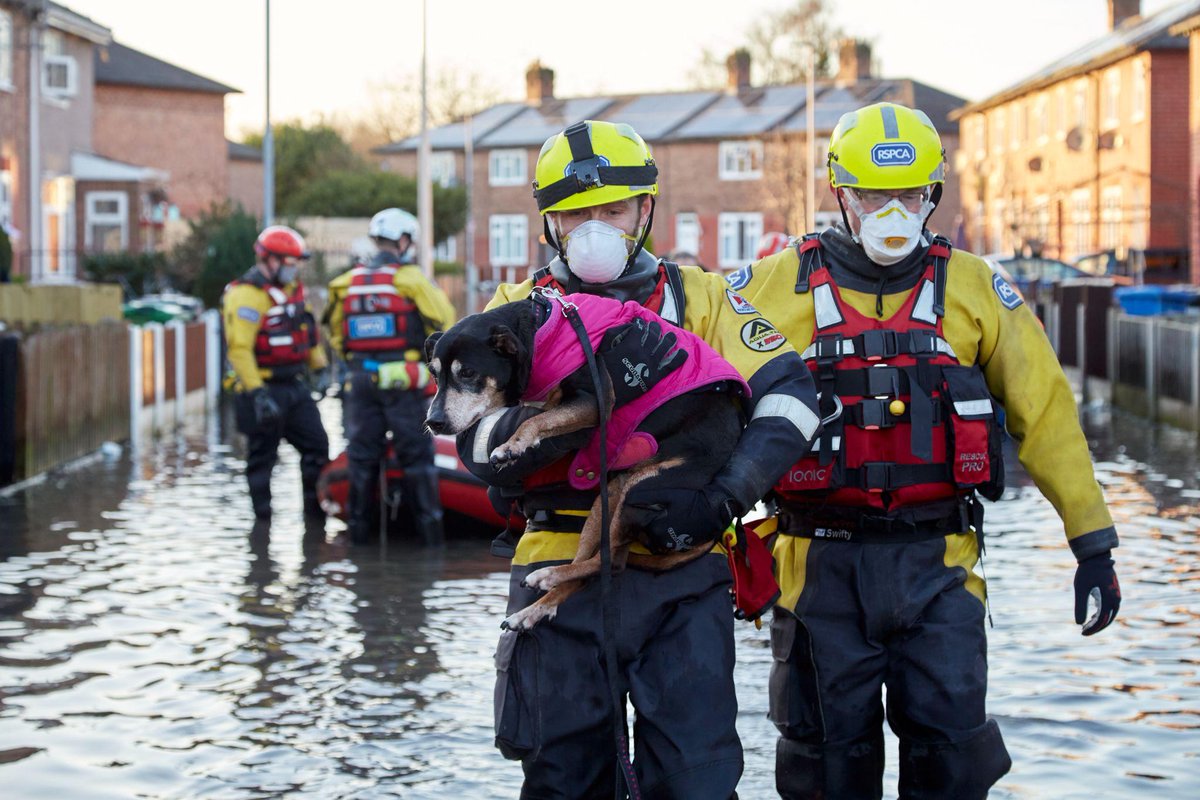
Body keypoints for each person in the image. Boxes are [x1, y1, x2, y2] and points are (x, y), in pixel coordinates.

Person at [730, 102, 1122, 799]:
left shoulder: (976, 289)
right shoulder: (770, 288)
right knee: (825, 769)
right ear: (841, 194)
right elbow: (701, 389)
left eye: (909, 195)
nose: (893, 211)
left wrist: (1092, 544)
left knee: (950, 765)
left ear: (931, 195)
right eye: (876, 195)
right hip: (816, 567)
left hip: (939, 568)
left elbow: (1048, 414)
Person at [454, 119, 821, 798]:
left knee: (698, 780)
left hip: (680, 567)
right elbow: (471, 437)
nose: (597, 227)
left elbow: (792, 399)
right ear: (549, 224)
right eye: (576, 214)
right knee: (563, 780)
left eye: (614, 210)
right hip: (554, 567)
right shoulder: (512, 312)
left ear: (645, 210)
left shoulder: (704, 299)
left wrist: (724, 497)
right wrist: (560, 421)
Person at [325, 208, 456, 546]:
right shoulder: (410, 279)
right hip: (404, 383)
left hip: (361, 384)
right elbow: (444, 320)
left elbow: (336, 334)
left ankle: (358, 542)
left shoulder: (345, 283)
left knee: (361, 458)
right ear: (402, 240)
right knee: (417, 459)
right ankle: (431, 544)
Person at [222, 225, 330, 520]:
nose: (294, 271)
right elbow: (239, 350)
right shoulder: (246, 296)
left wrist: (319, 368)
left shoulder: (292, 292)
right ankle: (262, 526)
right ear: (270, 260)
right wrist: (257, 393)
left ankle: (314, 515)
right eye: (290, 263)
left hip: (293, 387)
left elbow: (306, 334)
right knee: (262, 459)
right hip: (261, 389)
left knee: (317, 446)